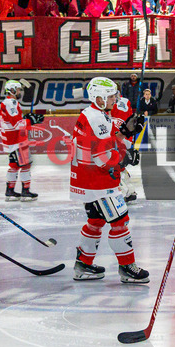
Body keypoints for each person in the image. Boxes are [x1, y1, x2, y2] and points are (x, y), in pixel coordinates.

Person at [69, 77, 149, 284]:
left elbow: (105, 143)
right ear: (99, 98)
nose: (115, 99)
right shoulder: (96, 118)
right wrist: (124, 160)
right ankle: (127, 267)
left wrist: (124, 132)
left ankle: (83, 265)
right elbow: (102, 157)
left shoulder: (93, 114)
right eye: (111, 96)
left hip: (87, 179)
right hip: (99, 182)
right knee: (120, 222)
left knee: (95, 221)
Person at [0, 80, 41, 200]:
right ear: (12, 90)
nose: (19, 92)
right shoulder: (11, 103)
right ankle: (25, 192)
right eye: (18, 90)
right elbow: (16, 124)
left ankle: (10, 191)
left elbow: (15, 120)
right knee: (26, 165)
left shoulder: (8, 102)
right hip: (16, 139)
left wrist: (26, 118)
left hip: (12, 139)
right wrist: (30, 121)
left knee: (14, 165)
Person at [110, 90, 143, 203]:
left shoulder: (109, 103)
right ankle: (130, 189)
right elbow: (130, 119)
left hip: (116, 136)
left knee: (113, 165)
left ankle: (121, 191)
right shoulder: (126, 101)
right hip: (126, 136)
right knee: (120, 164)